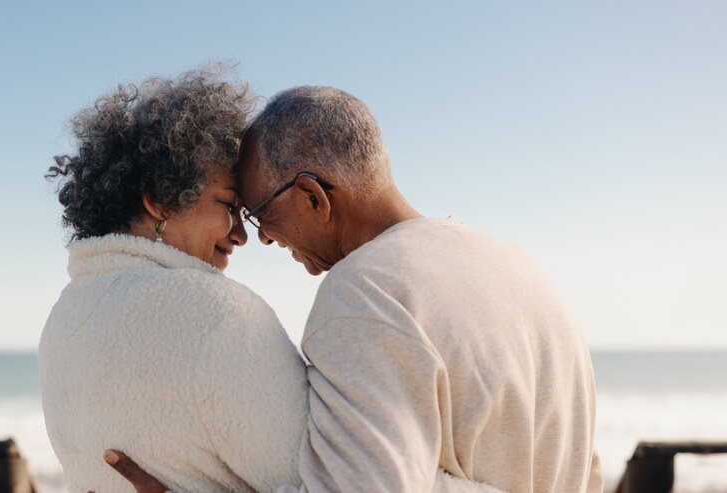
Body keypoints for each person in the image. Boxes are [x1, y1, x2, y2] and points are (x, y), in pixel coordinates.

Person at [101, 86, 604, 492]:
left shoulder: (363, 295)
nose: (261, 238)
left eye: (259, 215)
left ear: (312, 197)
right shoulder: (519, 268)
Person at [39, 69, 309, 493]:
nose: (240, 234)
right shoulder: (219, 315)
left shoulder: (61, 321)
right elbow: (333, 480)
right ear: (159, 200)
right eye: (228, 205)